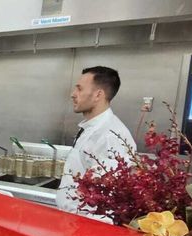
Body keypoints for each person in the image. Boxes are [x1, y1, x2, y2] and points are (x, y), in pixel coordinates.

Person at [56, 66, 136, 217]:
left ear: (98, 95)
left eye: (79, 89)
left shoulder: (110, 136)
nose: (73, 94)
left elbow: (105, 201)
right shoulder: (92, 127)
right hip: (71, 221)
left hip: (84, 226)